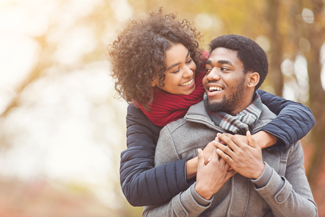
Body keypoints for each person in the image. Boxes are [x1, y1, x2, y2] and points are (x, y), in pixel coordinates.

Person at [108, 9, 315, 206]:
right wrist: (199, 163)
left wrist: (252, 143)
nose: (189, 72)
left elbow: (300, 113)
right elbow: (134, 187)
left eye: (188, 60)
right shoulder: (142, 111)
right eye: (175, 70)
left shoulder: (214, 82)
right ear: (151, 79)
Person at [143, 34, 317, 217]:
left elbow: (308, 213)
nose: (210, 76)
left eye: (224, 69)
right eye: (208, 69)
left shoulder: (282, 137)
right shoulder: (174, 135)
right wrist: (199, 194)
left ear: (252, 79)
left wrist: (261, 173)